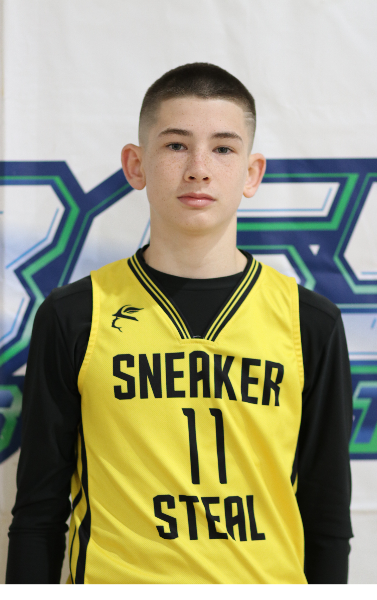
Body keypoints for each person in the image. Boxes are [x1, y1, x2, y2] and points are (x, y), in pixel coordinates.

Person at [6, 63, 353, 585]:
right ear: (136, 164)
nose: (198, 169)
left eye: (223, 148)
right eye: (175, 145)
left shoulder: (310, 323)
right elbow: (38, 513)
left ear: (252, 173)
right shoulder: (75, 315)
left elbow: (327, 521)